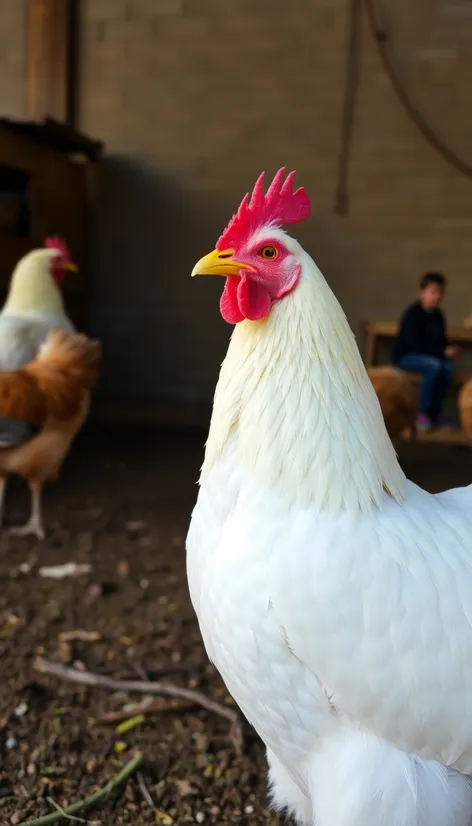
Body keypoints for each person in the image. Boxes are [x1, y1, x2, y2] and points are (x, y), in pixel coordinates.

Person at [392, 272, 460, 431]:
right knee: (434, 366)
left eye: (441, 292)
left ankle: (435, 415)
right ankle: (421, 414)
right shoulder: (413, 314)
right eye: (434, 291)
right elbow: (415, 345)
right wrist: (443, 352)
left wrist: (450, 350)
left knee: (447, 368)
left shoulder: (439, 316)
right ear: (422, 292)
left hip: (432, 359)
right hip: (405, 357)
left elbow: (441, 341)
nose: (438, 296)